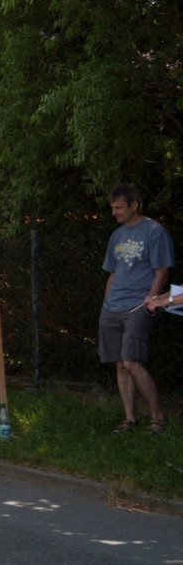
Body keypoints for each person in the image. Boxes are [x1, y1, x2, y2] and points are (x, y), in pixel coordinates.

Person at [101, 184, 173, 434]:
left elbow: (161, 272)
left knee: (131, 361)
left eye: (119, 207)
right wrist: (106, 302)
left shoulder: (154, 231)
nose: (114, 212)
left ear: (134, 206)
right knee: (120, 364)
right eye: (113, 208)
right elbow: (112, 272)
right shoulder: (116, 236)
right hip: (112, 306)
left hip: (138, 305)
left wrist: (150, 302)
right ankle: (130, 419)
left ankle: (158, 418)